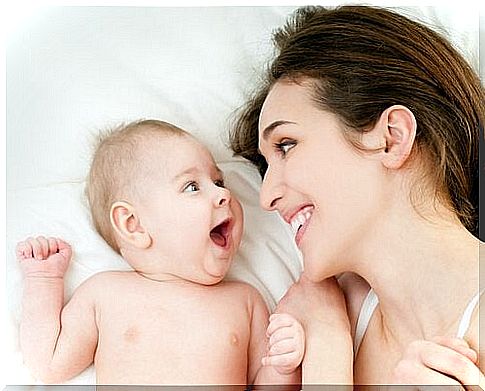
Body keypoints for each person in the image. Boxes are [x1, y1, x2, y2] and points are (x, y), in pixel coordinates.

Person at [230, 5, 485, 387]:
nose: (266, 197)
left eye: (286, 145)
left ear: (391, 138)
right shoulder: (313, 318)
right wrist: (326, 346)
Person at [16, 119, 305, 387]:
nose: (224, 195)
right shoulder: (105, 294)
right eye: (192, 186)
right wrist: (43, 280)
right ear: (133, 225)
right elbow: (48, 363)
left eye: (218, 182)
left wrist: (283, 364)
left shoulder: (245, 301)